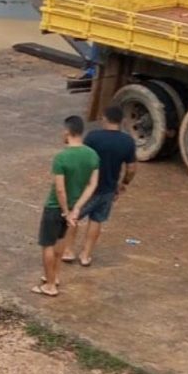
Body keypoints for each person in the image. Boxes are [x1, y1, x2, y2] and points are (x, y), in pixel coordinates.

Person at [34, 115, 100, 297]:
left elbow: (60, 189)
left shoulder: (61, 158)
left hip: (55, 207)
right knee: (61, 242)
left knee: (47, 245)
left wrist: (65, 211)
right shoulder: (92, 155)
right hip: (73, 206)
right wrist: (76, 208)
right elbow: (92, 184)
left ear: (67, 132)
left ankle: (50, 285)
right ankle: (54, 276)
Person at [63, 105, 137, 266]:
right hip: (109, 188)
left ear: (104, 118)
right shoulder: (128, 141)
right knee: (96, 220)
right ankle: (86, 255)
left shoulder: (93, 137)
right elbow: (131, 169)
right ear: (121, 121)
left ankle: (68, 251)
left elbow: (82, 158)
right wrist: (123, 183)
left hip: (87, 188)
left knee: (74, 216)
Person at [82, 0, 115, 79]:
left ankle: (92, 71)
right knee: (96, 48)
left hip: (107, 25)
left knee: (98, 49)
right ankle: (91, 70)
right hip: (101, 24)